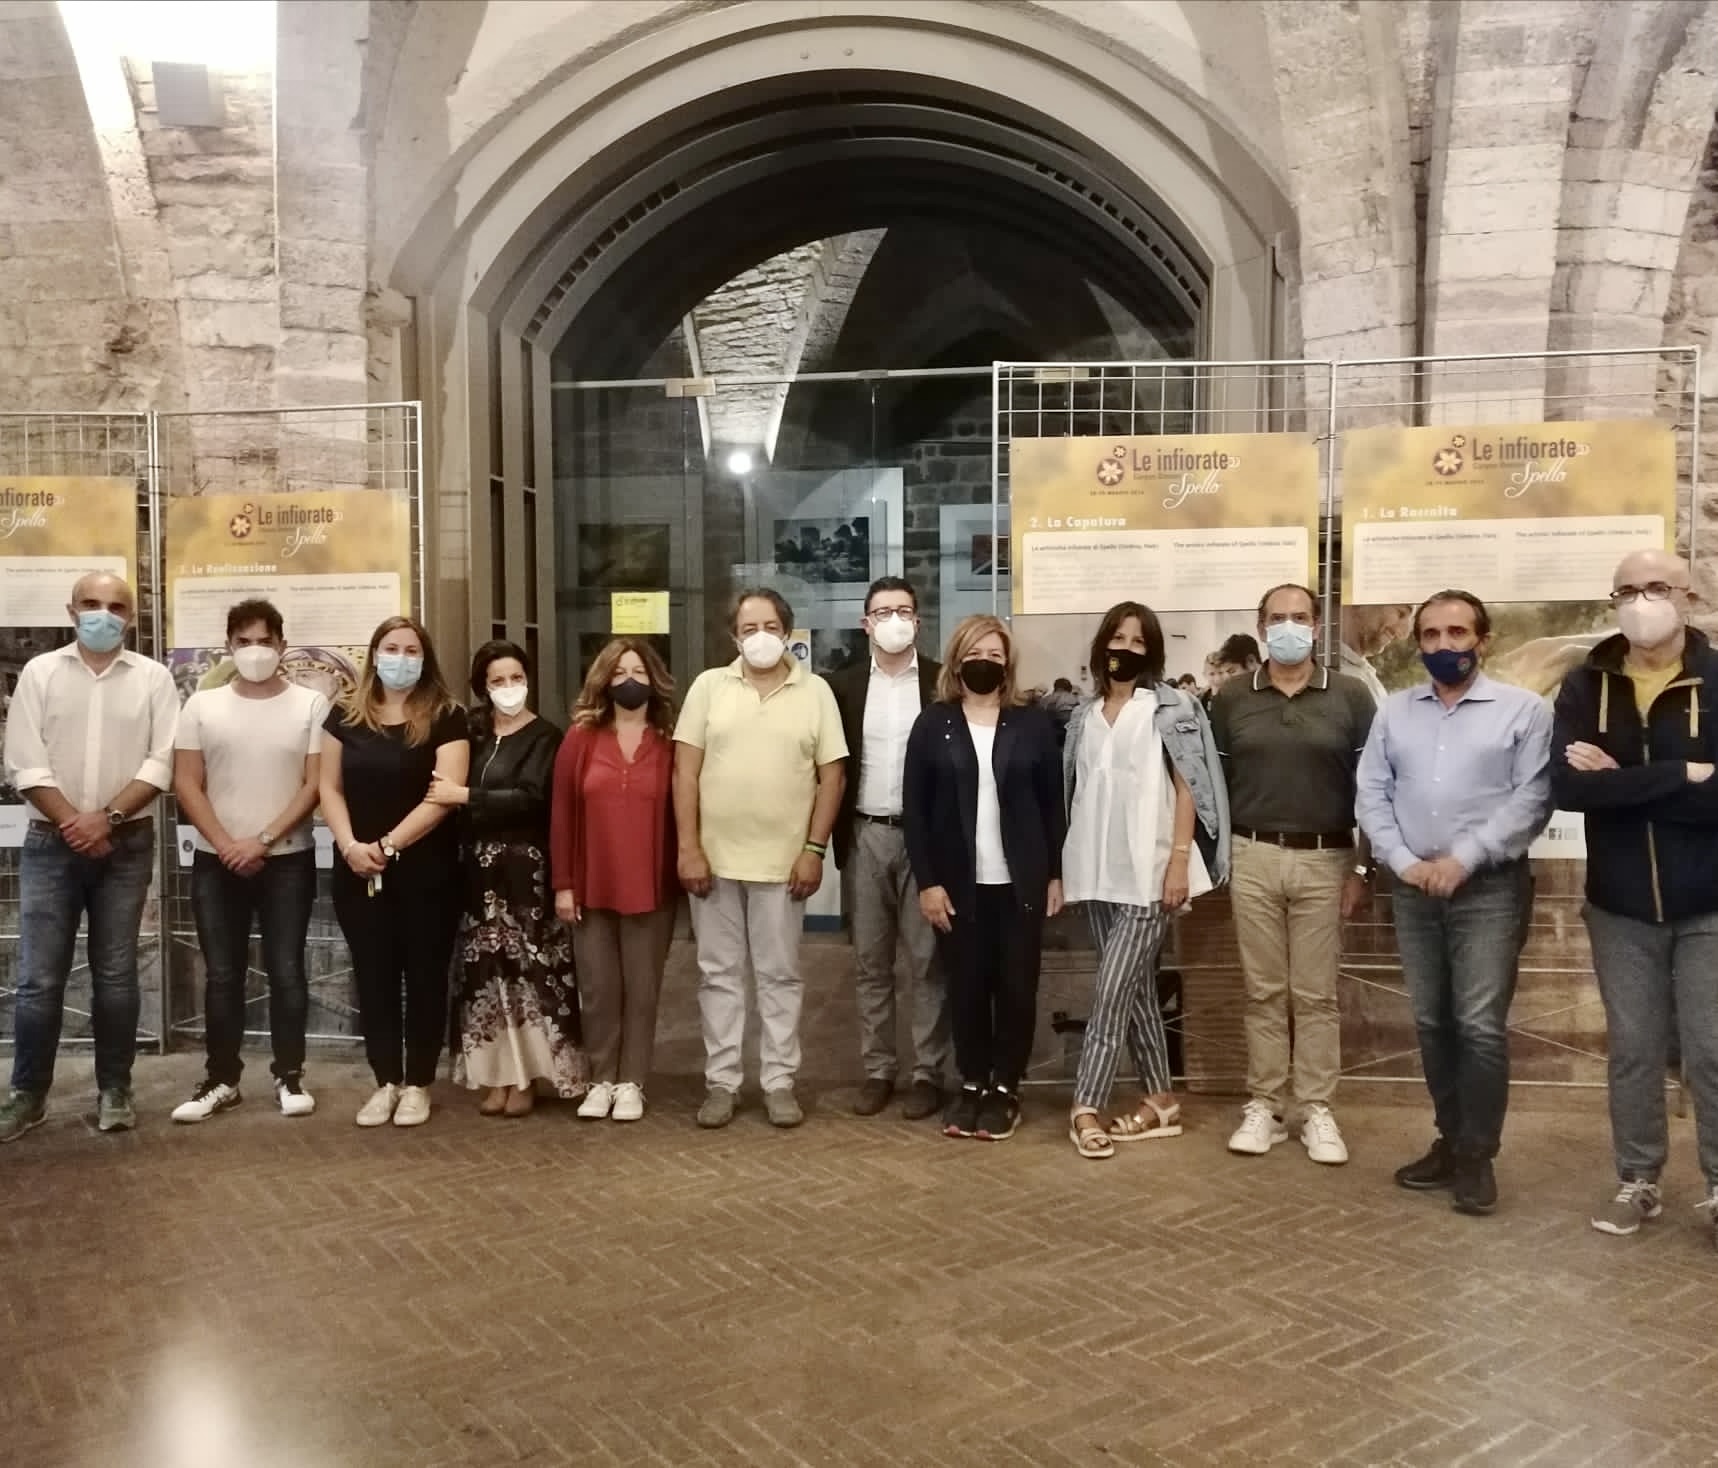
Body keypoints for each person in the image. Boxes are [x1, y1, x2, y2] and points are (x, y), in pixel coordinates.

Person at [1356, 589, 1552, 1216]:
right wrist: (1405, 862)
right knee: (1433, 1022)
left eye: (1457, 633)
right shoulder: (1394, 713)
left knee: (1478, 1025)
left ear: (1482, 641)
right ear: (1419, 643)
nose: (1444, 645)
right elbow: (1372, 792)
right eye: (1432, 634)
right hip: (1413, 887)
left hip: (1488, 888)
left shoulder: (1523, 711)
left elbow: (1532, 799)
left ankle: (1476, 1156)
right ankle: (1449, 1138)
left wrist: (1462, 860)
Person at [1550, 550, 1718, 1246]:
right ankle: (1639, 1179)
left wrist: (1622, 781)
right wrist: (1683, 773)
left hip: (1709, 904)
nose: (1641, 601)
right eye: (1626, 590)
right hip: (1619, 907)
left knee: (1712, 1050)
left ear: (1688, 597)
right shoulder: (1585, 684)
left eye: (1656, 587)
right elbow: (1570, 789)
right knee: (1634, 1051)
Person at [0, 574, 177, 1141]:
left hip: (126, 844)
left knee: (117, 974)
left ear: (132, 616)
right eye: (92, 604)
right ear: (72, 610)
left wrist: (108, 819)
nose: (104, 614)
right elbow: (24, 761)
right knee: (39, 978)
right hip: (49, 844)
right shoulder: (39, 673)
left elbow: (162, 761)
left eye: (117, 606)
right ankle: (28, 1095)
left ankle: (115, 1089)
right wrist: (76, 825)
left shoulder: (153, 678)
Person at [1210, 583, 1378, 1165]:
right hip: (1253, 854)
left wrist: (1362, 865)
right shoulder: (1232, 698)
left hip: (1327, 859)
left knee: (1315, 993)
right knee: (1263, 991)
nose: (1289, 627)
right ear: (1261, 629)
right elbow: (1213, 785)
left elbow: (1373, 787)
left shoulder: (1351, 696)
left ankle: (1315, 1108)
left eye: (1300, 617)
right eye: (1278, 618)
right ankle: (1265, 1105)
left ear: (1316, 626)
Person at [674, 587, 847, 1129]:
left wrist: (814, 850)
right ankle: (722, 1082)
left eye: (770, 627)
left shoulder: (815, 691)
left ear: (788, 632)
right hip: (715, 864)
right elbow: (684, 772)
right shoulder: (708, 687)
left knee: (780, 977)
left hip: (783, 866)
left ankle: (778, 1081)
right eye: (749, 629)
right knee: (718, 976)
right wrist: (688, 847)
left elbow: (832, 777)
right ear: (734, 636)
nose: (760, 637)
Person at [1061, 602, 1228, 1159]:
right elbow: (1077, 791)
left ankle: (1085, 1104)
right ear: (1101, 645)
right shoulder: (1083, 716)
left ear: (1151, 652)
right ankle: (1161, 1100)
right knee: (1134, 994)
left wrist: (1178, 860)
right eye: (1118, 638)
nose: (1126, 648)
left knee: (1109, 993)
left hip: (1150, 874)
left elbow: (1188, 787)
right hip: (1095, 872)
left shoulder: (1169, 708)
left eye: (1138, 641)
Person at [902, 614, 1064, 1142]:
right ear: (956, 660)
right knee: (967, 988)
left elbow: (1052, 805)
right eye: (975, 653)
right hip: (957, 886)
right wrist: (928, 883)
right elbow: (915, 811)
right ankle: (972, 1082)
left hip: (1020, 883)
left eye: (995, 655)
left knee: (1016, 989)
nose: (985, 663)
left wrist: (1055, 874)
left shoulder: (1031, 723)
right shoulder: (934, 724)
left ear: (1007, 664)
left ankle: (1006, 1088)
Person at [171, 599, 326, 1123]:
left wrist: (261, 840)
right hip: (216, 862)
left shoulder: (311, 704)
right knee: (222, 975)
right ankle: (221, 1080)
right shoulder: (202, 706)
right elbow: (186, 782)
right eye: (244, 642)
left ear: (282, 645)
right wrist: (226, 843)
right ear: (228, 647)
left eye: (264, 641)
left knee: (286, 971)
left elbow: (314, 785)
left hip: (287, 860)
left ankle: (290, 1075)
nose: (254, 651)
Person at [320, 616, 470, 1129]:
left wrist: (388, 845)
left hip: (427, 873)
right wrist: (350, 846)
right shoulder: (344, 713)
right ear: (374, 654)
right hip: (357, 869)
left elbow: (444, 795)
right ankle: (385, 1081)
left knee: (426, 977)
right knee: (374, 977)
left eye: (411, 650)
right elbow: (329, 788)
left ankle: (419, 1083)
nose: (400, 659)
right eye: (391, 648)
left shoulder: (447, 716)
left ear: (425, 659)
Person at [435, 641, 577, 1117]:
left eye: (516, 678)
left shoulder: (546, 737)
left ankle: (528, 1077)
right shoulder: (474, 733)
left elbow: (532, 798)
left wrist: (465, 795)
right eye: (497, 680)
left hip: (525, 873)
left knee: (528, 975)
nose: (509, 687)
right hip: (478, 874)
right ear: (483, 686)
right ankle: (496, 1076)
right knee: (485, 975)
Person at [829, 576, 948, 1121]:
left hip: (928, 840)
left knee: (927, 963)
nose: (894, 620)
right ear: (866, 624)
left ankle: (928, 1073)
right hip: (865, 833)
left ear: (917, 621)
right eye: (883, 612)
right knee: (870, 962)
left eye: (903, 611)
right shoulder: (843, 687)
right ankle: (878, 1069)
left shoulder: (943, 682)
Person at [551, 638, 680, 1123]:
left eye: (639, 672)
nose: (630, 681)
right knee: (599, 989)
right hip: (592, 886)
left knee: (642, 989)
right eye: (620, 672)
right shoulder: (580, 738)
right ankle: (601, 1079)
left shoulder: (669, 741)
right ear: (604, 680)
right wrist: (564, 883)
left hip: (651, 887)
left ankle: (632, 1082)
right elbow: (562, 813)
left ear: (655, 680)